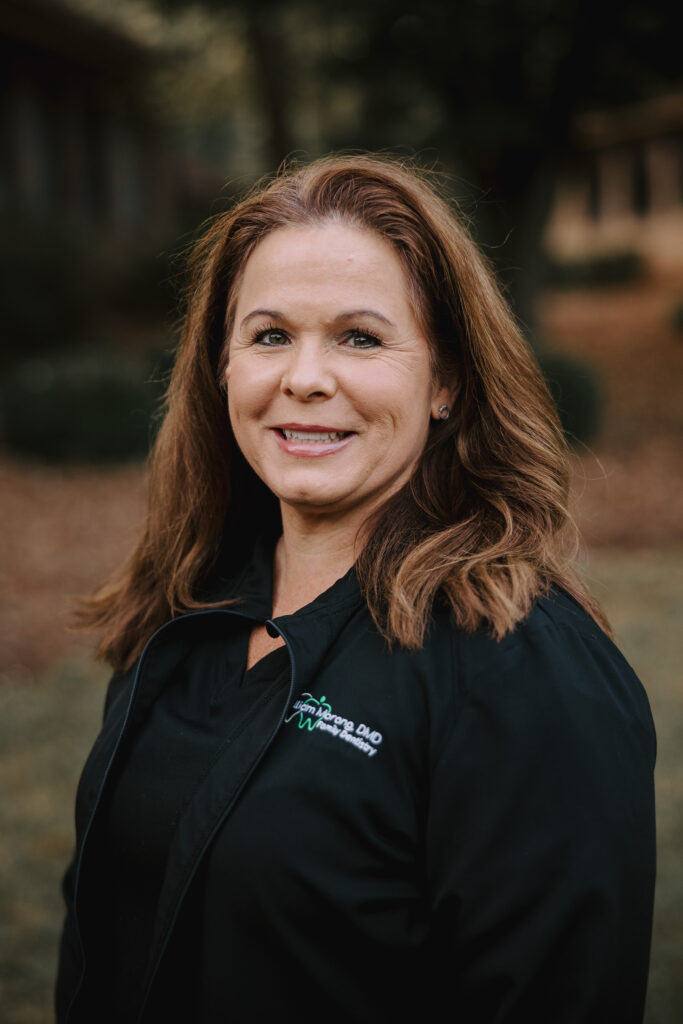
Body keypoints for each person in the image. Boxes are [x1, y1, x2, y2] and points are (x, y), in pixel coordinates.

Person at [56, 154, 656, 1024]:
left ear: (446, 379)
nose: (304, 377)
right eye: (269, 335)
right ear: (221, 365)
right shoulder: (187, 611)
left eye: (360, 338)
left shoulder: (526, 677)